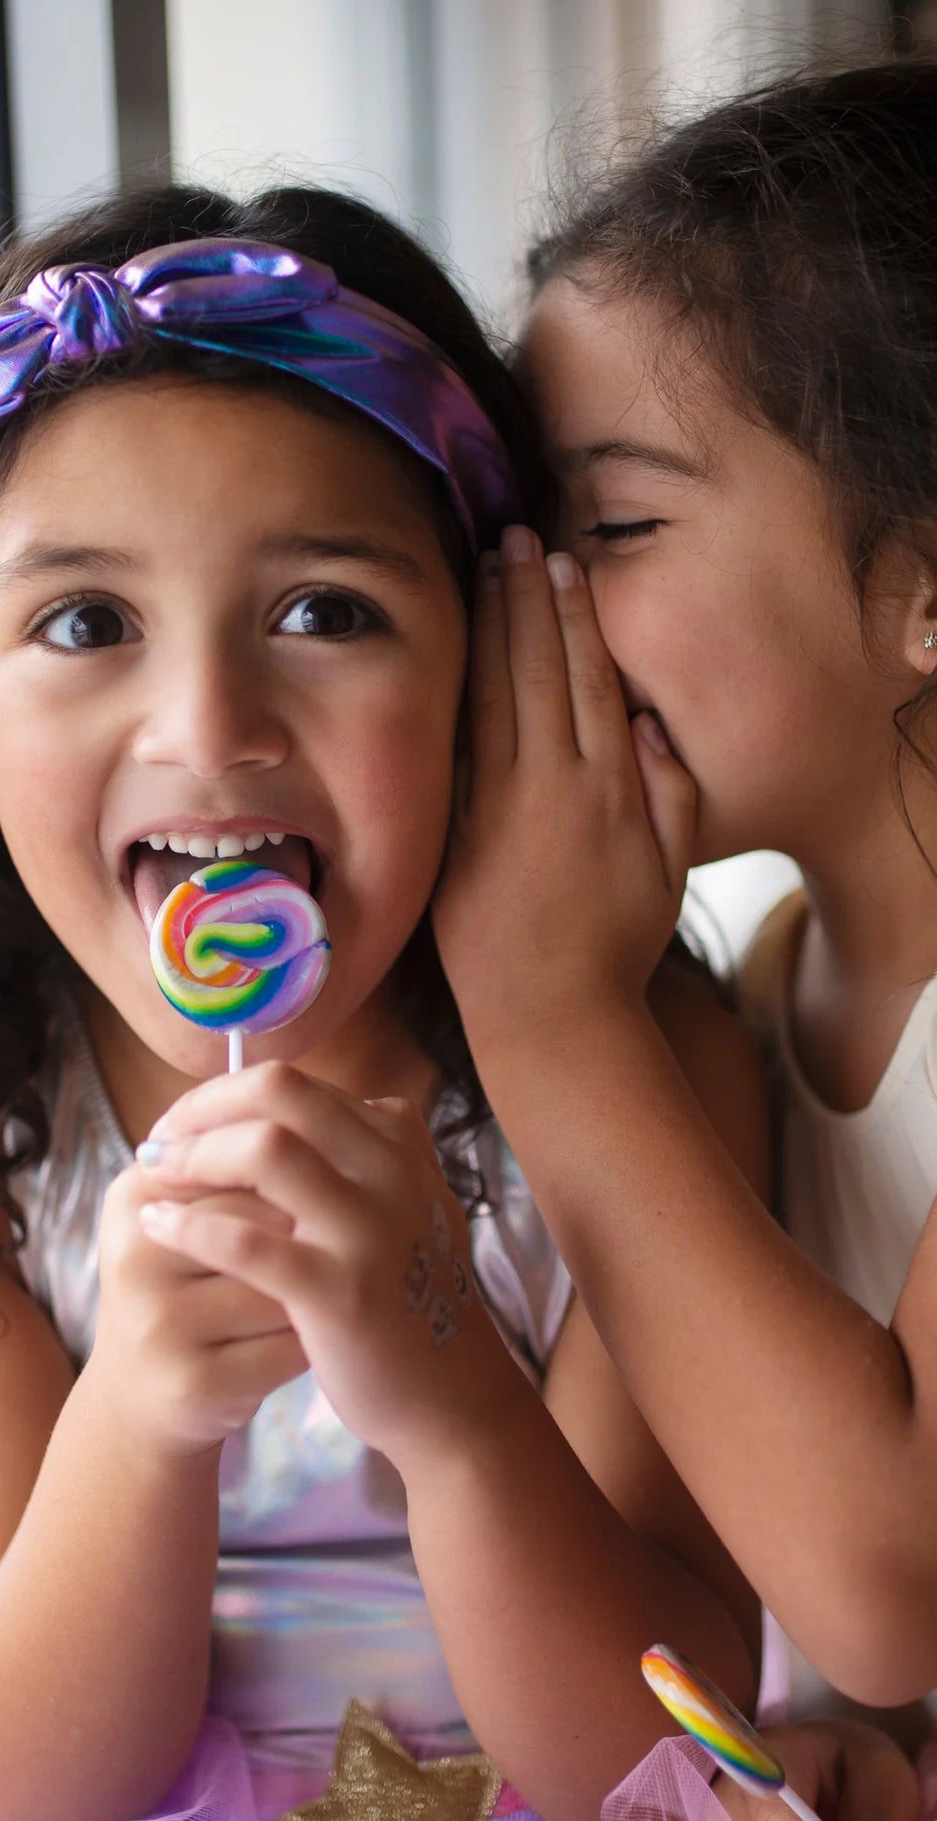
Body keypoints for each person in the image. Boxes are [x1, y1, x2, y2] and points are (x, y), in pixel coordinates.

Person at [0, 182, 766, 1821]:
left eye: (325, 610)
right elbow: (16, 1782)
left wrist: (448, 1401)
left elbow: (660, 1749)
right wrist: (141, 1421)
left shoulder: (640, 1078)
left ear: (497, 658)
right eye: (85, 621)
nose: (208, 720)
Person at [434, 58, 937, 1820]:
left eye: (617, 526)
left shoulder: (617, 1009)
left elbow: (884, 1581)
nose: (538, 597)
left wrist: (544, 1011)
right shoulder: (762, 966)